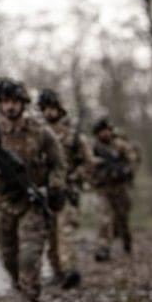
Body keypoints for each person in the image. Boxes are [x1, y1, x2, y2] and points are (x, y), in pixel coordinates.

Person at [0, 78, 66, 302]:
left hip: (32, 202)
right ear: (0, 104)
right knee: (8, 254)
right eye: (5, 102)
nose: (10, 106)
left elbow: (58, 164)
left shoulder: (41, 132)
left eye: (14, 102)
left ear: (23, 104)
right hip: (3, 203)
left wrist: (55, 187)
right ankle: (19, 286)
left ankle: (32, 301)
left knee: (30, 255)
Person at [36, 89, 92, 289]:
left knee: (65, 232)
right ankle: (58, 272)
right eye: (45, 109)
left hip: (67, 190)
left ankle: (71, 270)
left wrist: (76, 177)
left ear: (60, 109)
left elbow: (88, 163)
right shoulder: (37, 134)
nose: (49, 113)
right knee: (50, 234)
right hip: (45, 191)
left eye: (53, 108)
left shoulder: (74, 136)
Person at [90, 117, 141, 261]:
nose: (104, 134)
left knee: (122, 219)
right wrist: (98, 175)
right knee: (104, 219)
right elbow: (87, 167)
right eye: (101, 132)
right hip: (103, 189)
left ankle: (126, 241)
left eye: (106, 131)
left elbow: (133, 160)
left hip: (120, 188)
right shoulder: (93, 149)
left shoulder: (120, 146)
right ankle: (103, 248)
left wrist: (125, 171)